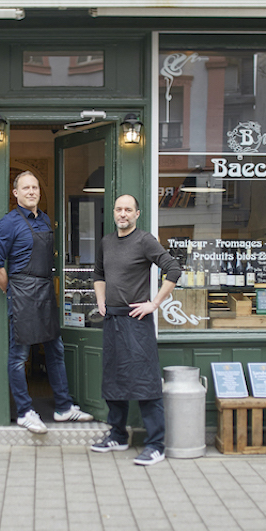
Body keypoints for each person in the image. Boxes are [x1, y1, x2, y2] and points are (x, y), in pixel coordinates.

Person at [0, 171, 93, 433]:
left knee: (55, 351)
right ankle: (24, 412)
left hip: (45, 290)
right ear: (16, 193)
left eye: (35, 187)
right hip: (22, 292)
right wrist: (11, 291)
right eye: (26, 188)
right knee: (19, 356)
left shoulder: (45, 219)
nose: (32, 191)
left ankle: (63, 408)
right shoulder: (8, 223)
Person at [91, 194, 181, 466]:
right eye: (119, 209)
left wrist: (154, 304)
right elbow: (98, 274)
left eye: (128, 210)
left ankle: (156, 445)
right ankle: (118, 435)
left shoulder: (144, 240)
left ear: (137, 214)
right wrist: (100, 300)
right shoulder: (106, 242)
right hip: (112, 320)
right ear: (114, 213)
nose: (123, 214)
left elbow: (174, 269)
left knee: (146, 384)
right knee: (114, 380)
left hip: (136, 320)